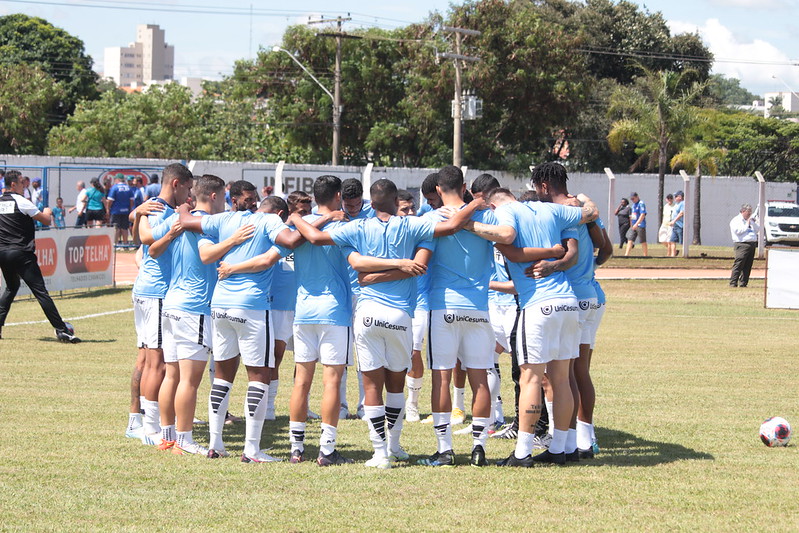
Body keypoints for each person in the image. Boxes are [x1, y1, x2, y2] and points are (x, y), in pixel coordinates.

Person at [291, 178, 481, 468]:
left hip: (366, 314)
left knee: (371, 389)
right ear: (395, 201)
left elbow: (318, 241)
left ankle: (380, 453)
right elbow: (451, 228)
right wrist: (477, 203)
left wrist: (294, 217)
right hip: (401, 316)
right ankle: (394, 445)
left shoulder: (355, 227)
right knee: (395, 386)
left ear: (370, 201)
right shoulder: (413, 226)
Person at [463, 162, 598, 466]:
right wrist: (584, 197)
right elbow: (590, 212)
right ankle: (561, 449)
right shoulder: (551, 210)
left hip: (538, 304)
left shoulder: (506, 213)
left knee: (531, 379)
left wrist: (469, 225)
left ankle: (523, 452)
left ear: (495, 203)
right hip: (568, 303)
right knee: (562, 380)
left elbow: (507, 236)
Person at [178, 180, 307, 463]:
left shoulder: (221, 219)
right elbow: (290, 242)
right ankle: (251, 448)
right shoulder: (269, 221)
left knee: (222, 374)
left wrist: (182, 206)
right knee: (259, 376)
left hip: (221, 304)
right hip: (252, 307)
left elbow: (187, 221)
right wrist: (302, 222)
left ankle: (215, 444)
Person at [138, 174, 247, 455]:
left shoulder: (178, 219)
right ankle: (184, 440)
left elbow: (151, 247)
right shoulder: (205, 225)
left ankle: (167, 436)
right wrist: (233, 240)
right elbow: (206, 255)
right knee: (189, 379)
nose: (224, 202)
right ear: (213, 196)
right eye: (223, 196)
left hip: (171, 304)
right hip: (194, 308)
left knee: (172, 375)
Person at [128, 163, 194, 445]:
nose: (189, 195)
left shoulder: (151, 207)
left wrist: (136, 216)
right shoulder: (159, 209)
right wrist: (139, 215)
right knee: (158, 364)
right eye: (188, 188)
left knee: (145, 359)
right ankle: (151, 428)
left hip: (146, 289)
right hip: (155, 292)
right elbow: (145, 240)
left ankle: (135, 420)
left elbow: (137, 241)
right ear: (177, 183)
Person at [0, 170, 80, 343]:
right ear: (13, 185)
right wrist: (47, 211)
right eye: (21, 183)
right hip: (21, 253)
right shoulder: (21, 201)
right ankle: (62, 330)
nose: (24, 186)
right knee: (40, 292)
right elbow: (45, 220)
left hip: (3, 253)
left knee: (11, 287)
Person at [729, 204, 759, 288]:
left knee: (748, 265)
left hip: (752, 244)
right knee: (739, 264)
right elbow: (738, 231)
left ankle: (743, 283)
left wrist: (753, 222)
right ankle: (733, 282)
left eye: (750, 212)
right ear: (742, 211)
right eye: (748, 212)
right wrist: (747, 224)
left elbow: (757, 230)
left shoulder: (750, 220)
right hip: (742, 244)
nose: (749, 214)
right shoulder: (736, 220)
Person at [106, 173, 135, 245]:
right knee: (125, 228)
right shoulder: (128, 188)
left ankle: (115, 244)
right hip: (126, 211)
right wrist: (130, 209)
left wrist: (108, 208)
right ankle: (125, 244)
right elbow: (132, 200)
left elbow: (110, 200)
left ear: (117, 179)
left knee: (116, 228)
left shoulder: (114, 188)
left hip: (116, 211)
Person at [624, 192, 648, 256]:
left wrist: (637, 224)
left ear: (637, 197)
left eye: (633, 198)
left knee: (643, 241)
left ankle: (645, 255)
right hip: (633, 225)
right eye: (631, 199)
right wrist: (632, 224)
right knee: (630, 239)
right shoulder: (634, 205)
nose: (632, 200)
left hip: (640, 225)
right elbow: (633, 215)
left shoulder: (641, 204)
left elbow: (642, 215)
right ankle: (626, 254)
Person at [668, 191, 685, 257]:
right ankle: (673, 255)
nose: (674, 198)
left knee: (682, 242)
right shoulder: (677, 204)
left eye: (676, 196)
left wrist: (673, 221)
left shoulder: (683, 203)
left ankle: (684, 255)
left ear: (680, 197)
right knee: (672, 241)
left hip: (680, 226)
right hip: (675, 226)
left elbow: (681, 213)